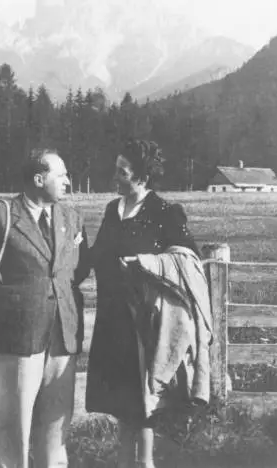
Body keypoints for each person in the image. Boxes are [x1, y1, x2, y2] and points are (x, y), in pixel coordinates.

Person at [86, 139, 211, 468]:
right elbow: (97, 255)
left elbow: (188, 261)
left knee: (144, 405)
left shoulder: (166, 212)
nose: (115, 177)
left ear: (142, 176)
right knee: (123, 405)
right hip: (112, 318)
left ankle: (144, 464)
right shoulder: (112, 210)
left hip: (145, 321)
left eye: (122, 171)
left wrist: (145, 262)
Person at [0, 149, 90, 468]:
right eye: (61, 176)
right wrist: (7, 299)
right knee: (12, 425)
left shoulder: (72, 218)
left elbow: (80, 267)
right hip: (16, 335)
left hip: (63, 333)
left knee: (56, 424)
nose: (68, 183)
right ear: (38, 179)